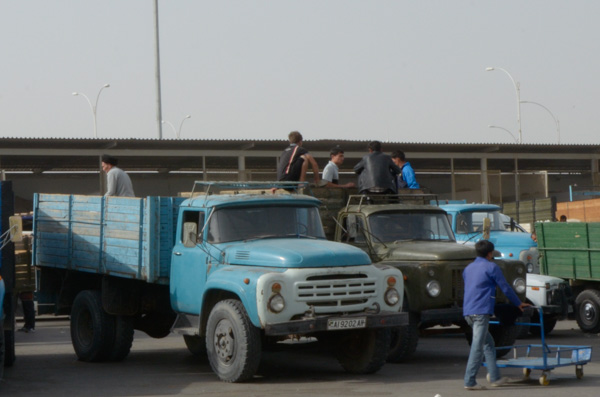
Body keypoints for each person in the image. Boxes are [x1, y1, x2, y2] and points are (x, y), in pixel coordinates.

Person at [462, 239, 530, 390]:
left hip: (468, 312)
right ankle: (470, 381)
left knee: (488, 343)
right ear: (490, 253)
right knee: (477, 346)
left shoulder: (468, 268)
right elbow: (505, 287)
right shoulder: (492, 267)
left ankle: (495, 377)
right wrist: (518, 303)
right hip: (481, 312)